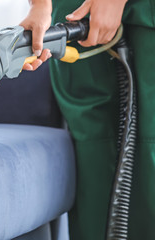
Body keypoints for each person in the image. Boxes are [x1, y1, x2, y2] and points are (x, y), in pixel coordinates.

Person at [20, 0, 155, 239]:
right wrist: (39, 7)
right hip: (75, 21)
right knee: (94, 158)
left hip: (144, 18)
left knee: (148, 156)